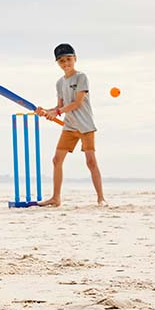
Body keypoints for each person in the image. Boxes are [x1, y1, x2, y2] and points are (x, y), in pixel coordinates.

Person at [36, 43, 107, 207]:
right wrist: (46, 111)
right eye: (61, 61)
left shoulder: (81, 77)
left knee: (91, 162)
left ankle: (101, 198)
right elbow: (59, 105)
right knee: (56, 160)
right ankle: (56, 198)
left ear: (75, 59)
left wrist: (57, 112)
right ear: (58, 63)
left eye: (68, 59)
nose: (66, 63)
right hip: (69, 127)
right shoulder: (59, 83)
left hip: (85, 126)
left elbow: (77, 103)